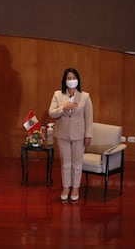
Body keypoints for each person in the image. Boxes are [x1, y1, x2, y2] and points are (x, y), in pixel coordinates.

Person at [48, 68, 93, 201]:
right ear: (64, 80)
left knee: (77, 163)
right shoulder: (57, 94)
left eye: (73, 77)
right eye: (68, 78)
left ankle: (75, 188)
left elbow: (89, 118)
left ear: (77, 80)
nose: (71, 80)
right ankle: (66, 187)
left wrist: (88, 135)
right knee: (65, 163)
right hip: (62, 134)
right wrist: (64, 108)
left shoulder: (85, 96)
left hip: (79, 135)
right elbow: (51, 113)